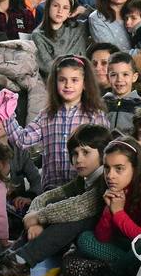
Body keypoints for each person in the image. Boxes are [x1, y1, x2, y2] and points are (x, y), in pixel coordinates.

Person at [0, 123, 112, 276]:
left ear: (103, 154)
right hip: (86, 232)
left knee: (72, 217)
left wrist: (39, 216)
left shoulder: (104, 180)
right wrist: (34, 220)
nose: (78, 159)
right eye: (75, 153)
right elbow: (45, 197)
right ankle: (11, 256)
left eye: (86, 152)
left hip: (106, 238)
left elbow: (79, 207)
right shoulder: (83, 179)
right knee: (55, 203)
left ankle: (21, 261)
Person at [60, 139, 141, 276]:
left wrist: (118, 213)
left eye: (119, 168)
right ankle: (126, 268)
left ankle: (116, 269)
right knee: (85, 238)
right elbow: (103, 238)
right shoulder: (118, 189)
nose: (110, 175)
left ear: (136, 168)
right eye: (107, 168)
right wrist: (109, 209)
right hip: (133, 245)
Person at [6, 55, 109, 191]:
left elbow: (106, 153)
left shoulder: (96, 116)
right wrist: (6, 114)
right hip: (51, 191)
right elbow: (23, 140)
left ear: (84, 84)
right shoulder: (46, 116)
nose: (68, 85)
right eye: (62, 80)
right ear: (55, 82)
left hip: (85, 190)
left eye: (74, 80)